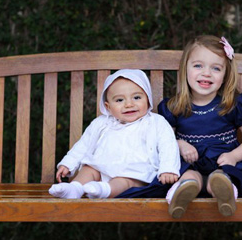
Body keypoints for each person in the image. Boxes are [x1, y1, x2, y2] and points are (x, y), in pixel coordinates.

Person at [158, 35, 242, 218]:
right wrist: (180, 144)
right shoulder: (174, 107)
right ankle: (182, 195)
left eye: (216, 68)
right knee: (188, 178)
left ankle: (224, 194)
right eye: (198, 66)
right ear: (185, 69)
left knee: (220, 177)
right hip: (189, 166)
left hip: (223, 163)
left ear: (225, 74)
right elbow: (163, 140)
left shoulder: (232, 104)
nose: (206, 73)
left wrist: (234, 156)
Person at [49, 69, 181, 199]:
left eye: (136, 97)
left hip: (134, 173)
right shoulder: (101, 123)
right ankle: (75, 188)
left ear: (147, 99)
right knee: (89, 169)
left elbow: (168, 145)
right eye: (119, 100)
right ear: (108, 107)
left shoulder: (156, 122)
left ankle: (104, 190)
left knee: (125, 182)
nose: (129, 104)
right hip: (101, 169)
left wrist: (168, 169)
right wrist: (68, 163)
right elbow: (83, 145)